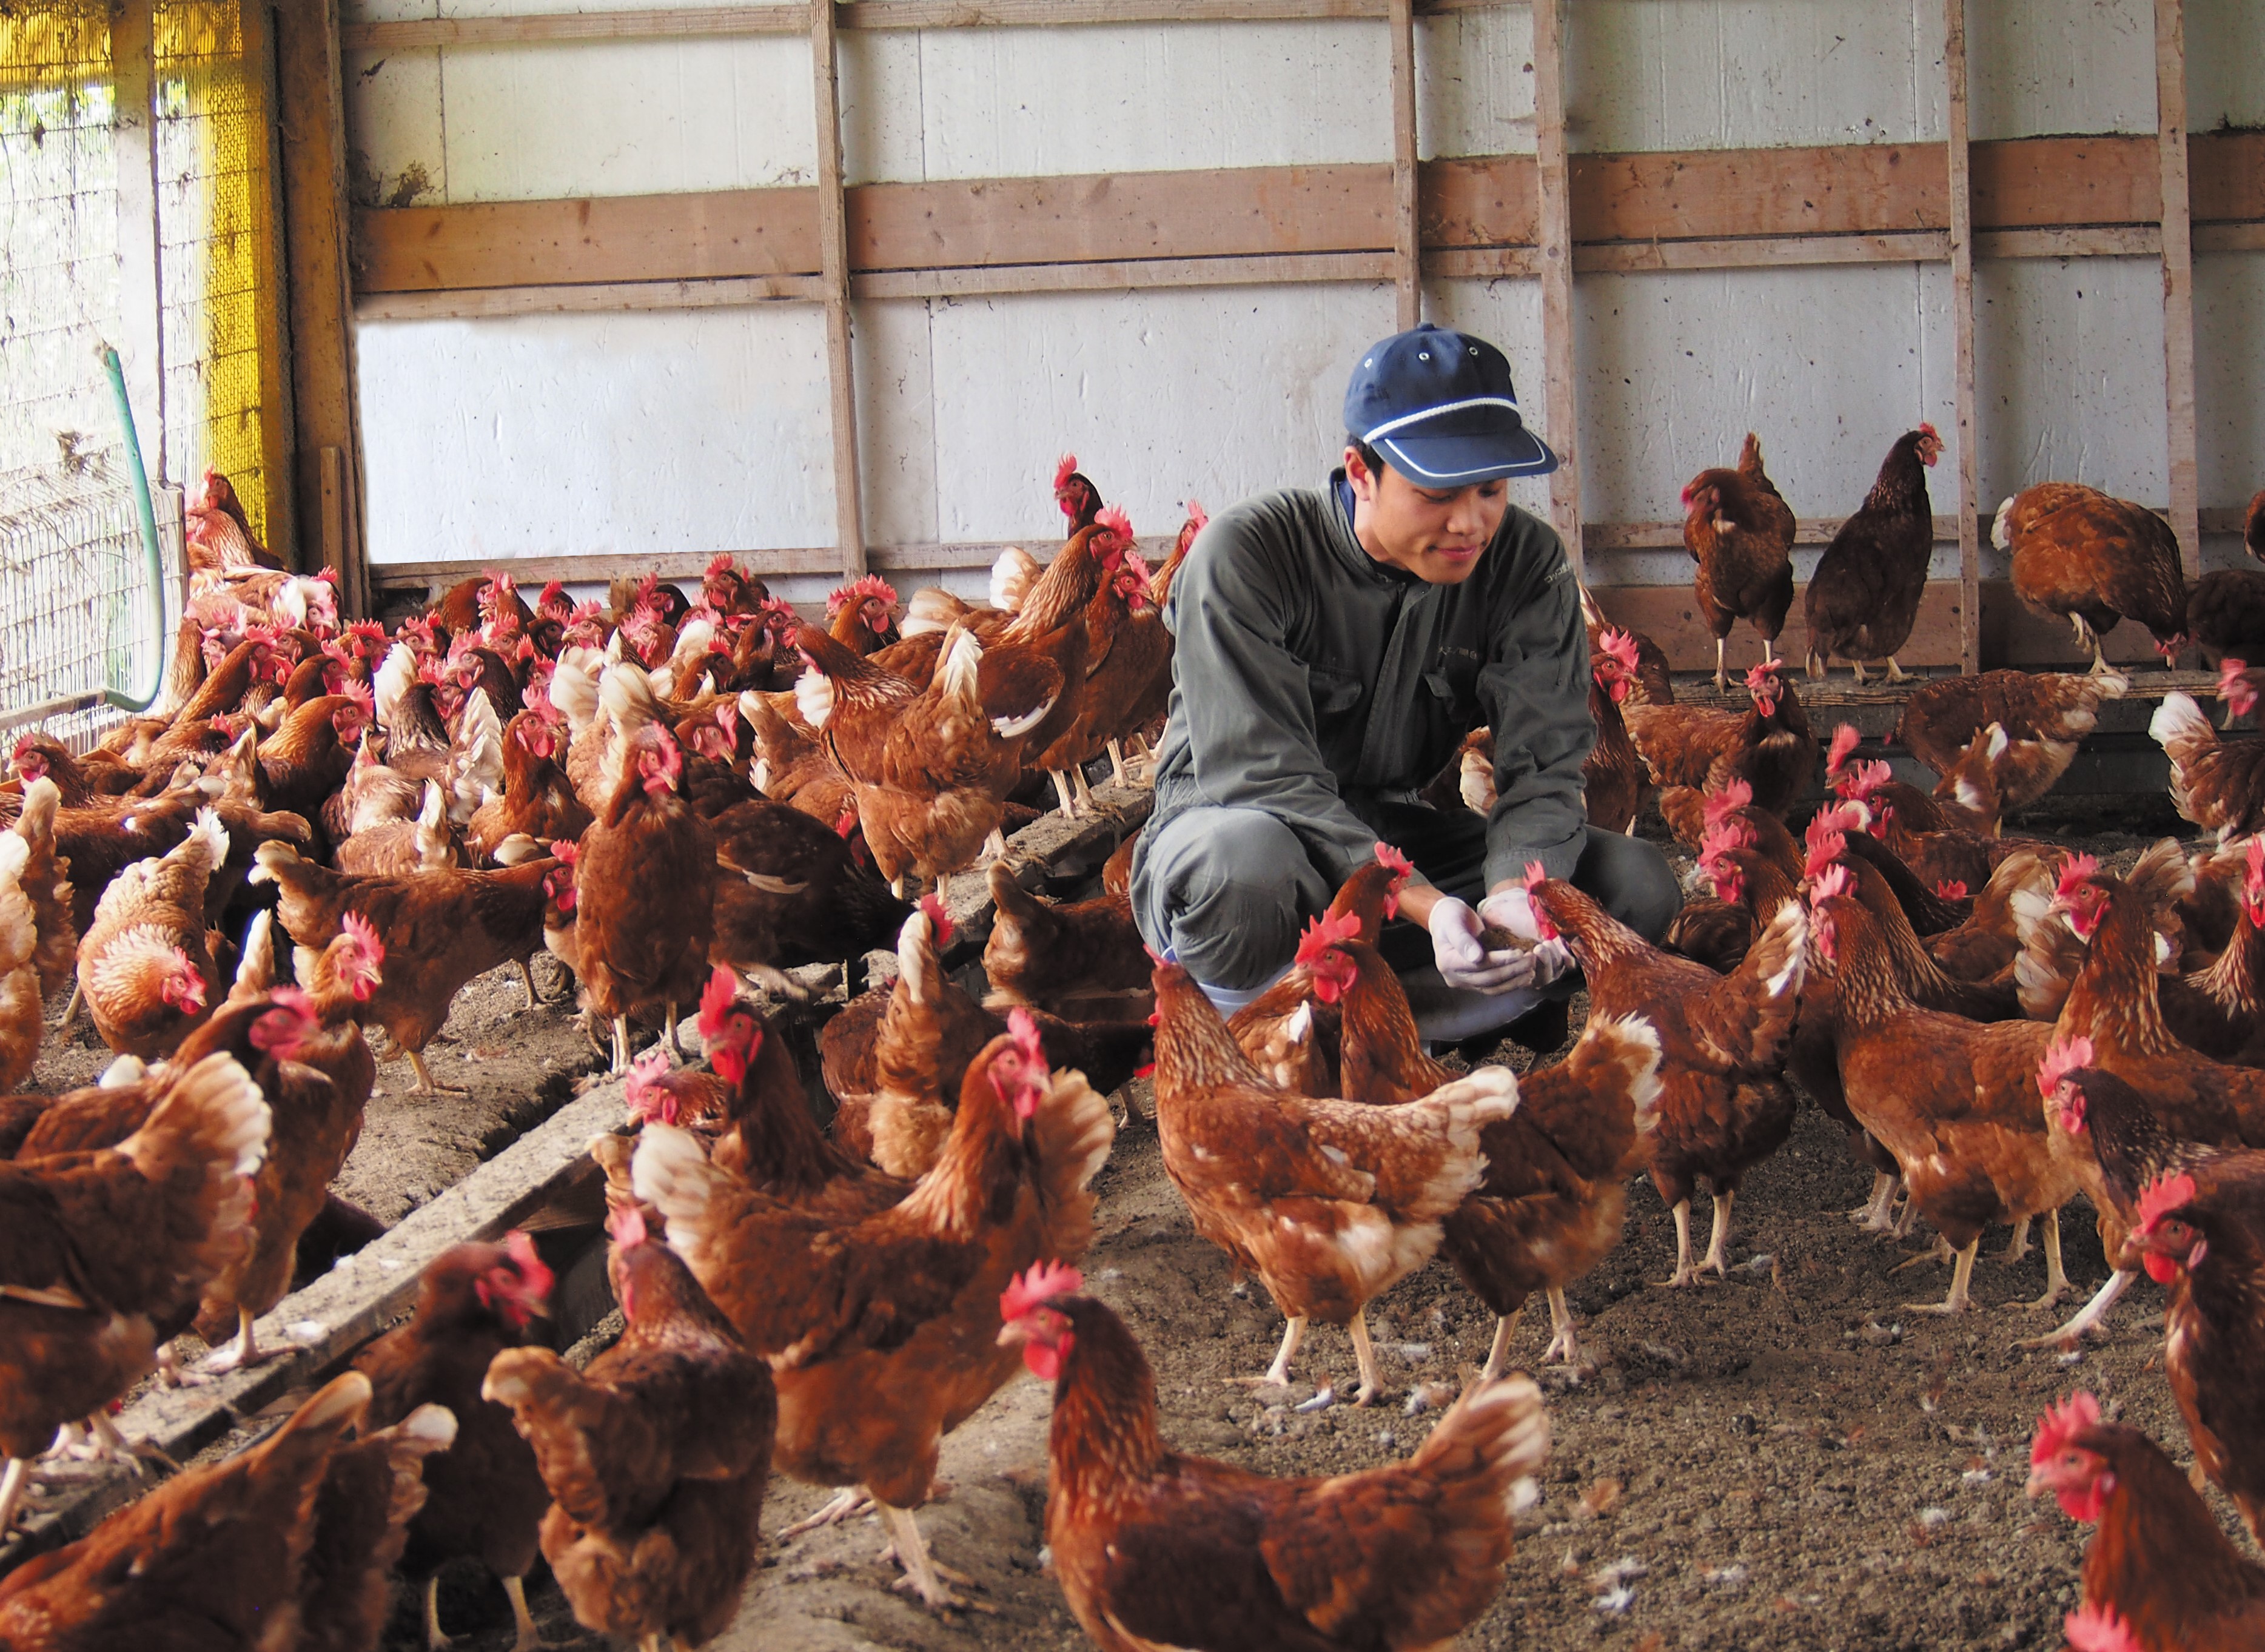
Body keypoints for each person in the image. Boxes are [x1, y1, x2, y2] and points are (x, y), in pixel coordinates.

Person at [1129, 321, 1682, 1046]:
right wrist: (1424, 903)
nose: (1469, 522)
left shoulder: (1524, 564)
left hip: (1388, 828)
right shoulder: (1250, 554)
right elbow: (1266, 778)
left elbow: (1544, 763)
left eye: (1490, 490)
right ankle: (1246, 1054)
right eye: (1436, 492)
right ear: (1360, 471)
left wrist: (1513, 892)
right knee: (1245, 869)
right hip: (1234, 824)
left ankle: (1393, 1034)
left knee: (1636, 885)